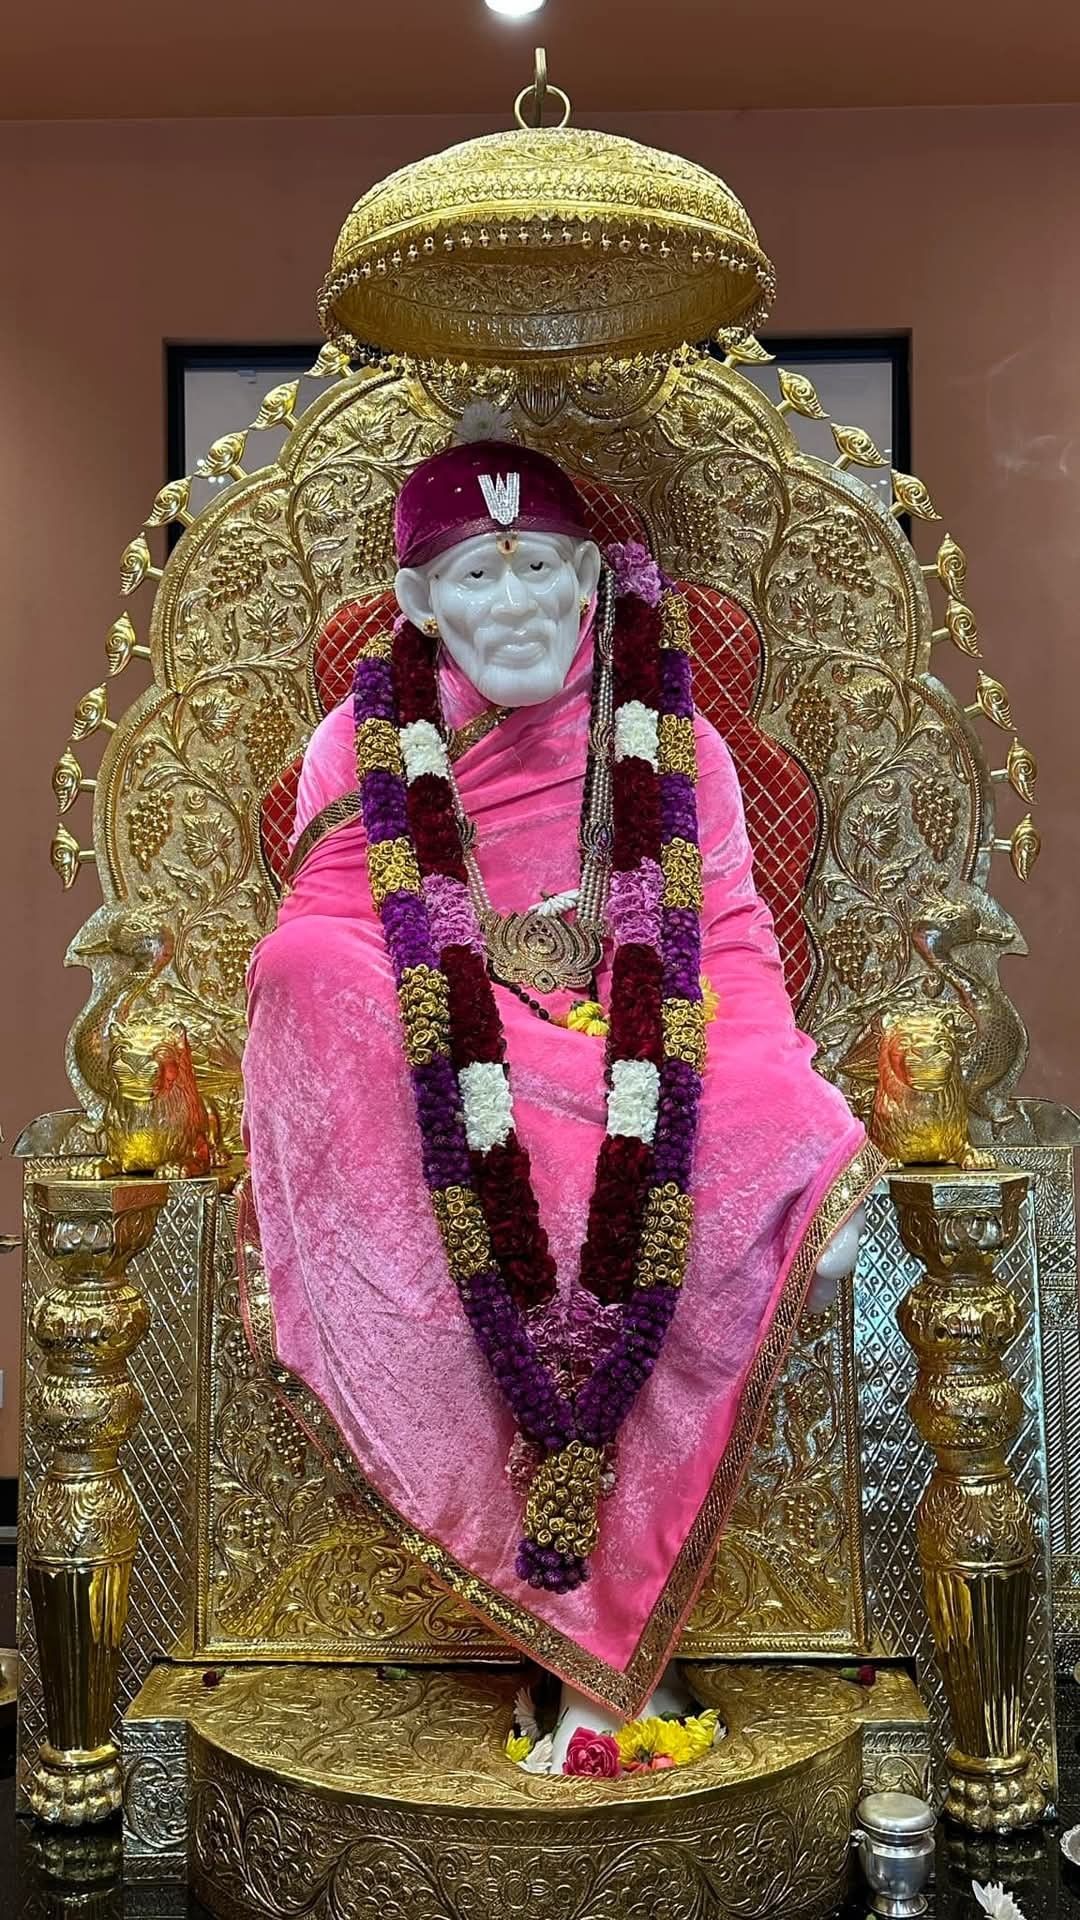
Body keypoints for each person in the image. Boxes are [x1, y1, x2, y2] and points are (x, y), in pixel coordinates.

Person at [242, 417, 880, 1717]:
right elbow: (333, 938)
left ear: (590, 580)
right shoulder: (356, 746)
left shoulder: (674, 743)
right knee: (301, 970)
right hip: (451, 1066)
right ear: (419, 602)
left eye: (539, 567)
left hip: (639, 1058)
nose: (515, 603)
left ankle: (614, 1630)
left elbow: (729, 946)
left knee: (766, 1121)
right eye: (477, 575)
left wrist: (788, 1098)